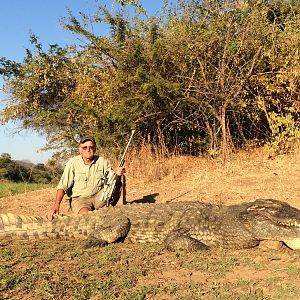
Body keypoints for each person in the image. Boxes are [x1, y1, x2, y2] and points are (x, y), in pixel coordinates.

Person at [46, 136, 125, 220]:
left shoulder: (102, 161)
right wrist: (56, 205)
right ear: (80, 150)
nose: (88, 150)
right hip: (80, 200)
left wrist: (118, 173)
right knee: (87, 217)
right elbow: (62, 186)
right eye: (85, 147)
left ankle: (109, 207)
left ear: (94, 149)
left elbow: (111, 178)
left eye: (91, 147)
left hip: (98, 197)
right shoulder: (73, 163)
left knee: (117, 183)